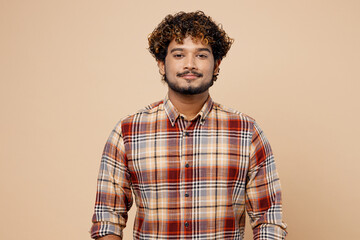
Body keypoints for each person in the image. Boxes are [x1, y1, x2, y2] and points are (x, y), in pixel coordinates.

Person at [90, 11, 287, 240]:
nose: (190, 64)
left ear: (216, 65)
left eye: (201, 55)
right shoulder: (127, 132)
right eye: (179, 54)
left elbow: (269, 220)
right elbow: (108, 219)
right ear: (162, 64)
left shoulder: (247, 132)